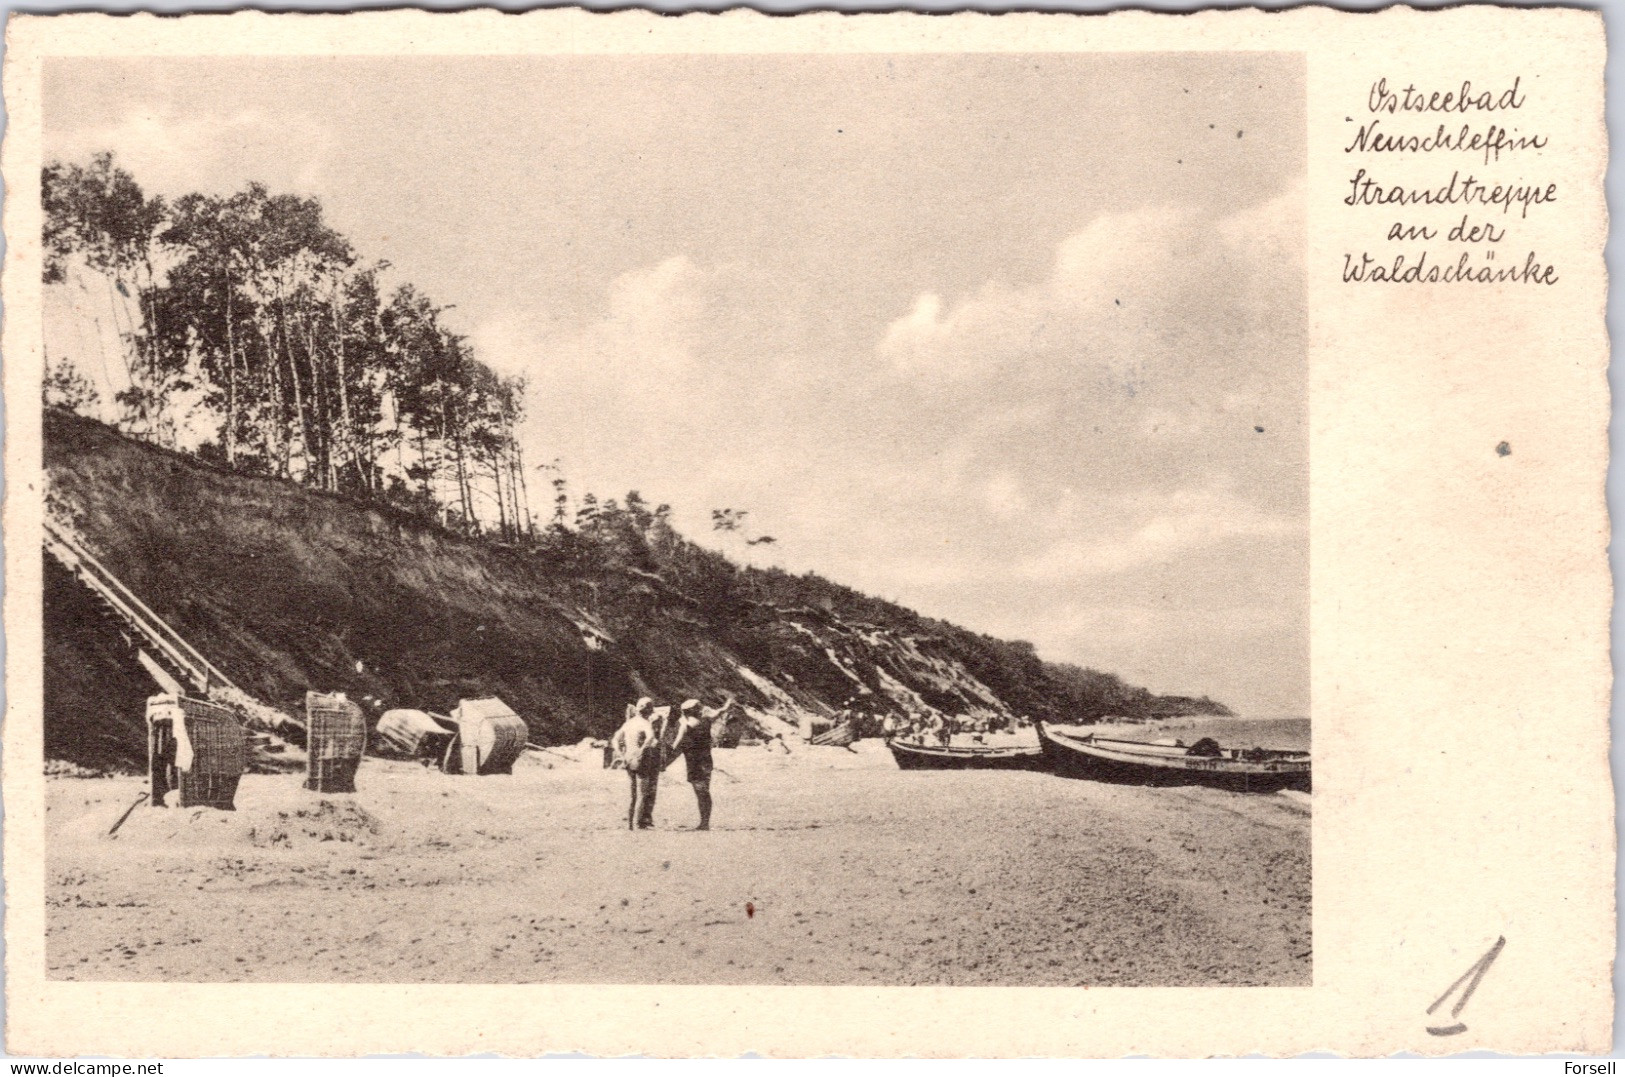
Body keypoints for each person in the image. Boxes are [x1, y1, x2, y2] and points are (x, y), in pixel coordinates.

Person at [665, 698, 715, 830]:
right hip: (707, 761)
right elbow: (717, 714)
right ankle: (705, 821)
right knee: (704, 792)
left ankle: (704, 824)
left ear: (685, 713)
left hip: (694, 763)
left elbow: (677, 748)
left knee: (700, 792)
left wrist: (664, 764)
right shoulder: (705, 722)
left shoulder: (686, 727)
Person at [611, 697, 660, 831]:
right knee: (642, 793)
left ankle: (630, 825)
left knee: (632, 794)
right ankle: (639, 823)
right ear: (649, 710)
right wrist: (642, 749)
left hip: (628, 758)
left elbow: (615, 739)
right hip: (641, 759)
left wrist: (620, 753)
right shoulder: (645, 723)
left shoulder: (629, 723)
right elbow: (650, 737)